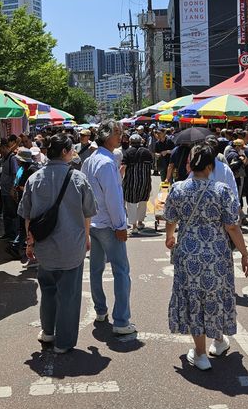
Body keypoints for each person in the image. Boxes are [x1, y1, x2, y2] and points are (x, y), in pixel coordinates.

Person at [164, 144, 248, 371]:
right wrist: (245, 254)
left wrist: (170, 237)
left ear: (190, 165)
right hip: (217, 253)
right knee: (215, 295)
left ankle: (201, 353)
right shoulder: (222, 191)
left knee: (193, 298)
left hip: (188, 252)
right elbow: (232, 226)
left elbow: (170, 218)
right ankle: (219, 340)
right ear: (211, 166)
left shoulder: (178, 189)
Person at [19, 134, 97, 353]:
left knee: (48, 290)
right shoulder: (78, 178)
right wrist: (87, 237)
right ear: (64, 152)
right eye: (71, 149)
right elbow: (88, 213)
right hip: (72, 247)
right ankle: (63, 343)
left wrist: (29, 241)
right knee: (69, 296)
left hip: (44, 246)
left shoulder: (34, 179)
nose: (73, 152)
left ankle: (48, 332)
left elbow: (26, 215)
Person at [81, 120, 137, 335]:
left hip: (93, 222)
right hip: (107, 223)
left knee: (96, 269)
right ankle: (121, 321)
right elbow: (113, 197)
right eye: (117, 132)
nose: (120, 135)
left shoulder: (91, 160)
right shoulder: (106, 161)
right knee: (121, 271)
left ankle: (100, 310)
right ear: (108, 135)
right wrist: (120, 225)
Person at [123, 133, 154, 234]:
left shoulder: (128, 152)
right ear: (141, 141)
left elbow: (123, 167)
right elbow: (151, 165)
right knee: (143, 202)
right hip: (145, 181)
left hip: (132, 182)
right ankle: (140, 222)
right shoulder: (147, 152)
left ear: (130, 142)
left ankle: (134, 226)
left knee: (131, 203)